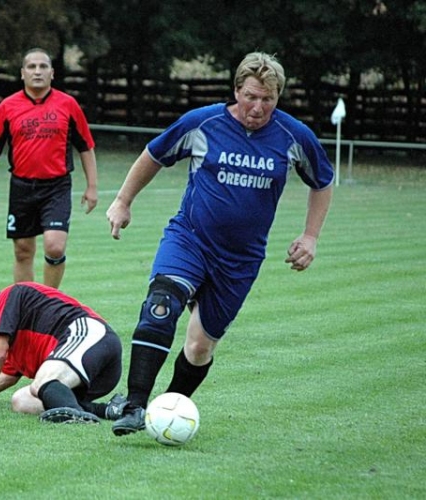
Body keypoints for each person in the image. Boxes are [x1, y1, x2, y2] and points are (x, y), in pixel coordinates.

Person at [105, 52, 334, 436]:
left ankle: (167, 411)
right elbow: (154, 155)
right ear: (236, 90)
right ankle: (135, 403)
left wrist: (310, 235)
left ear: (278, 97)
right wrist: (123, 201)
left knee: (198, 348)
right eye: (250, 96)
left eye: (268, 100)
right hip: (189, 238)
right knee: (161, 305)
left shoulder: (294, 136)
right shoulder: (203, 123)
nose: (258, 107)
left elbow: (322, 181)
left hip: (240, 260)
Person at [0, 48, 98, 289]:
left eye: (43, 66)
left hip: (57, 187)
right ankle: (26, 303)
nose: (37, 71)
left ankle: (49, 302)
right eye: (31, 67)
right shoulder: (7, 107)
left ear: (52, 73)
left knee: (55, 246)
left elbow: (86, 146)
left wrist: (92, 187)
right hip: (22, 187)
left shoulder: (68, 105)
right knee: (23, 250)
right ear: (22, 73)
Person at [0, 282, 126, 424]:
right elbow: (3, 378)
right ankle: (107, 410)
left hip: (90, 335)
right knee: (21, 401)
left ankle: (78, 420)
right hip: (85, 375)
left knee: (42, 381)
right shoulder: (15, 348)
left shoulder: (10, 295)